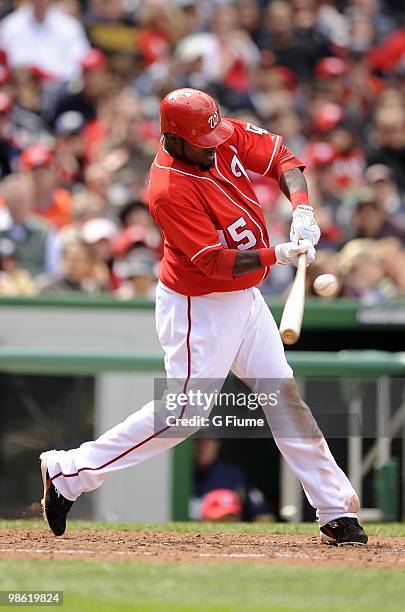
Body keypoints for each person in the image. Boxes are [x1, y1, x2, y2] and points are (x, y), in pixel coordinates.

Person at [39, 88, 368, 546]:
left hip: (244, 297)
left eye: (215, 134)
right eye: (203, 141)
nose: (215, 144)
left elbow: (283, 159)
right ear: (173, 138)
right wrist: (278, 254)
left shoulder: (214, 131)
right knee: (184, 415)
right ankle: (69, 471)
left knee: (284, 397)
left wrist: (303, 209)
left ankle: (334, 511)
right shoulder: (168, 189)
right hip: (199, 304)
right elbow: (213, 262)